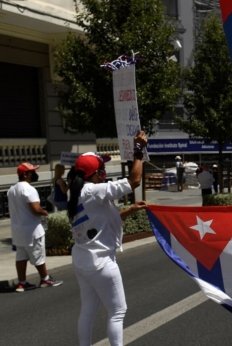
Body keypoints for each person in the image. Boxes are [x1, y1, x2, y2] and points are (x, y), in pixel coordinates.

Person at [68, 133, 148, 346]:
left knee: (88, 311)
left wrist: (130, 210)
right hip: (101, 261)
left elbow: (101, 221)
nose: (104, 172)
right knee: (118, 311)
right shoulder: (95, 191)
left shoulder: (76, 193)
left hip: (82, 259)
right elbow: (134, 181)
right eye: (101, 168)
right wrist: (138, 151)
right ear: (94, 173)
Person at [8, 162, 63, 292]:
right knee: (38, 255)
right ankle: (45, 279)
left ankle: (21, 283)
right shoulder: (29, 189)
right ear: (25, 175)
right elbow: (35, 209)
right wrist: (44, 212)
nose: (34, 174)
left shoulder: (11, 189)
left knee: (21, 256)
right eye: (32, 172)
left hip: (18, 230)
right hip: (31, 230)